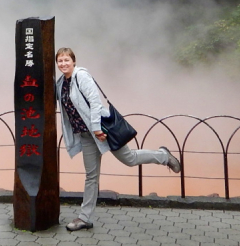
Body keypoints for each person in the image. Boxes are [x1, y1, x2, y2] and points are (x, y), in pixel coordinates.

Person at [55, 47, 181, 231]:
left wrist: (97, 128)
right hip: (85, 135)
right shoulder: (61, 83)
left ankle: (163, 156)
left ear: (74, 61)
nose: (63, 64)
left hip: (102, 131)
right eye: (60, 61)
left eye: (67, 60)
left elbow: (95, 102)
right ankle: (85, 218)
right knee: (91, 176)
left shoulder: (81, 76)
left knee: (129, 159)